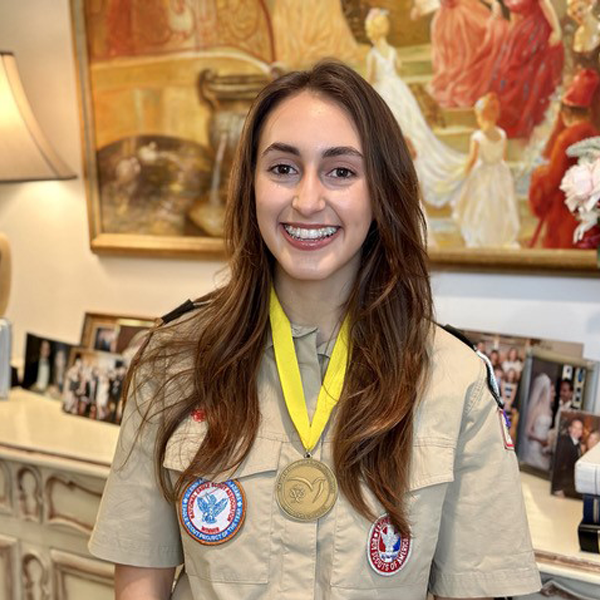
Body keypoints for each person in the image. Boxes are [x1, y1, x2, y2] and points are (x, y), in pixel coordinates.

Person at [89, 61, 540, 599]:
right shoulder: (173, 362)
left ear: (382, 192)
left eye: (340, 172)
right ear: (250, 184)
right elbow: (142, 579)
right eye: (282, 169)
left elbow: (478, 590)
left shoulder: (454, 380)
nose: (306, 200)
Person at [365, 8, 467, 211]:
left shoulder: (373, 55)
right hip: (399, 90)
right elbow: (399, 68)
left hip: (385, 92)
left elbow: (369, 80)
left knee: (399, 129)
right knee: (409, 127)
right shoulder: (392, 52)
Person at [529, 69, 600, 249]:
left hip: (566, 219)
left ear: (567, 112)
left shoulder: (566, 139)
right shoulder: (595, 136)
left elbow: (551, 182)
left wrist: (538, 176)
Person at [452, 92, 520, 247]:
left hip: (482, 176)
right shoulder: (502, 134)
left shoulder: (477, 137)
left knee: (481, 210)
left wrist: (465, 172)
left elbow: (472, 159)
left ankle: (482, 238)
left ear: (481, 116)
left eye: (477, 116)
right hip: (500, 175)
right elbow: (503, 158)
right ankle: (497, 238)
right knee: (499, 208)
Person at [489, 0, 563, 139]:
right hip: (520, 32)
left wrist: (556, 30)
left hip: (538, 32)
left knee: (530, 77)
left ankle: (529, 119)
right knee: (507, 72)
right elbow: (514, 15)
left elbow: (546, 6)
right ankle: (512, 119)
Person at [521, 373, 554, 471]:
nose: (553, 394)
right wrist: (541, 440)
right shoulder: (536, 409)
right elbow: (527, 431)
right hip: (534, 447)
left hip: (543, 449)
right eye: (552, 391)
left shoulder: (549, 410)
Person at [551, 417, 584, 497]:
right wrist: (557, 488)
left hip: (570, 487)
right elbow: (557, 465)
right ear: (570, 429)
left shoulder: (578, 445)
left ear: (582, 432)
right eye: (575, 428)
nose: (577, 431)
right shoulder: (563, 442)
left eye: (579, 429)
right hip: (561, 487)